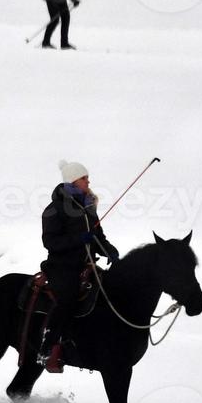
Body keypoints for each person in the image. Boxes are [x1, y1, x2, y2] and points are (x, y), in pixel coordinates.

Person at [38, 159, 119, 372]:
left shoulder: (88, 206)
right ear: (73, 180)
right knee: (67, 298)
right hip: (62, 267)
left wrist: (109, 250)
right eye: (84, 178)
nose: (88, 181)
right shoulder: (54, 209)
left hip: (86, 265)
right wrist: (78, 239)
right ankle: (48, 344)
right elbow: (50, 242)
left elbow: (97, 236)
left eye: (87, 177)